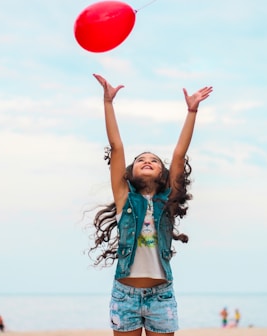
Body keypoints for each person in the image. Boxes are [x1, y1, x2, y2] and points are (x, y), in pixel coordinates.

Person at [89, 74, 213, 336]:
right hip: (125, 295)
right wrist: (108, 102)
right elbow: (116, 146)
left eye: (154, 160)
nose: (147, 161)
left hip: (161, 295)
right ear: (130, 172)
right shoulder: (125, 199)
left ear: (164, 174)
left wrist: (192, 110)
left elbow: (179, 154)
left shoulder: (167, 202)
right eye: (141, 160)